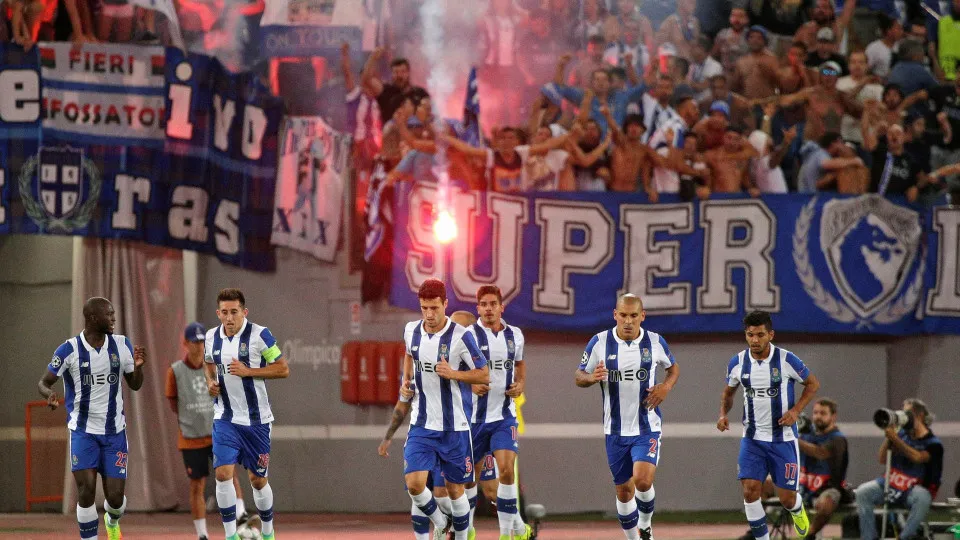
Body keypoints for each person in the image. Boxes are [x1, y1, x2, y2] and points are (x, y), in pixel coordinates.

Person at [38, 297, 146, 540]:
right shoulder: (68, 350)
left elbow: (135, 385)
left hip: (114, 432)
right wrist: (49, 395)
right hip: (82, 432)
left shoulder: (121, 345)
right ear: (93, 318)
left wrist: (138, 367)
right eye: (109, 314)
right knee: (85, 490)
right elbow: (44, 382)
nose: (113, 318)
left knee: (116, 499)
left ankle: (112, 519)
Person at [575, 294, 680, 540]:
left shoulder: (655, 342)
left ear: (642, 316)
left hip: (647, 426)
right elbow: (579, 375)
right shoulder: (599, 342)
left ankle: (645, 524)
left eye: (634, 315)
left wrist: (665, 387)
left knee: (643, 481)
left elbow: (673, 368)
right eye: (623, 315)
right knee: (624, 491)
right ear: (615, 315)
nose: (628, 321)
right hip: (615, 430)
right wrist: (592, 378)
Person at [717, 311, 821, 540]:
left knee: (787, 498)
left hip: (783, 439)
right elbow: (728, 392)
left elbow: (813, 384)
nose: (755, 340)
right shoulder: (738, 362)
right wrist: (723, 414)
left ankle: (797, 509)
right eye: (750, 335)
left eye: (760, 335)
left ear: (770, 335)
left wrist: (795, 411)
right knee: (750, 490)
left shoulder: (786, 360)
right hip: (752, 438)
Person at [400, 279, 490, 540]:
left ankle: (461, 536)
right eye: (424, 308)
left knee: (455, 490)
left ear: (445, 304)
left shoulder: (462, 336)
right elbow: (409, 354)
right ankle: (440, 524)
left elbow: (484, 375)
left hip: (455, 428)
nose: (429, 314)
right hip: (422, 423)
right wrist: (405, 384)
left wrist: (453, 374)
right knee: (415, 485)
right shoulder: (411, 331)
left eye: (434, 308)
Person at [205, 288, 290, 540]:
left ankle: (267, 532)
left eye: (234, 312)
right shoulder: (211, 337)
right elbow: (209, 363)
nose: (229, 318)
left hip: (257, 421)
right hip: (225, 417)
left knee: (257, 480)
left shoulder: (259, 335)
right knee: (222, 474)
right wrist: (211, 381)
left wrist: (248, 371)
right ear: (218, 313)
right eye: (224, 313)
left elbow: (283, 369)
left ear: (244, 312)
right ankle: (230, 536)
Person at [166, 322, 251, 540]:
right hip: (191, 438)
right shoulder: (175, 371)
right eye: (194, 341)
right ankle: (202, 534)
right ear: (185, 343)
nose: (199, 346)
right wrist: (191, 417)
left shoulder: (213, 365)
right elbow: (173, 402)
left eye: (202, 341)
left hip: (217, 431)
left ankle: (241, 515)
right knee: (198, 485)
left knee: (229, 473)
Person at [466, 286, 532, 540]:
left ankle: (506, 534)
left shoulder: (515, 336)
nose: (489, 308)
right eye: (483, 304)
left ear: (501, 307)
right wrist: (470, 383)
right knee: (470, 480)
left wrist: (521, 383)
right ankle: (467, 530)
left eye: (493, 303)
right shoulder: (468, 336)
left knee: (506, 470)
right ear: (478, 308)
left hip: (504, 417)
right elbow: (452, 372)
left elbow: (520, 365)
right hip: (473, 420)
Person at [854, 399, 944, 540]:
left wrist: (896, 440)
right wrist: (890, 436)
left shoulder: (933, 443)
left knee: (923, 498)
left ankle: (904, 537)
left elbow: (917, 457)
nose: (904, 417)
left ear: (919, 416)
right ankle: (868, 537)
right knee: (862, 492)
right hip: (891, 483)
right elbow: (882, 459)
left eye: (908, 413)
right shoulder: (901, 434)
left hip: (914, 488)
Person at [797, 398, 850, 539]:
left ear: (833, 416)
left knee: (826, 504)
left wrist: (793, 439)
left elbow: (820, 453)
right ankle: (755, 531)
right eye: (815, 413)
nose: (818, 417)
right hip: (804, 484)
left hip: (828, 487)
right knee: (764, 483)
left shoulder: (837, 439)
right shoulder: (806, 435)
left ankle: (810, 534)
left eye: (823, 413)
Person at [362, 48, 429, 125]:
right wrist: (372, 58)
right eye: (396, 72)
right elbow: (367, 79)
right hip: (391, 134)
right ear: (392, 74)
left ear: (408, 73)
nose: (399, 75)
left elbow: (430, 115)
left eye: (403, 72)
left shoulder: (420, 92)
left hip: (415, 135)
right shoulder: (385, 90)